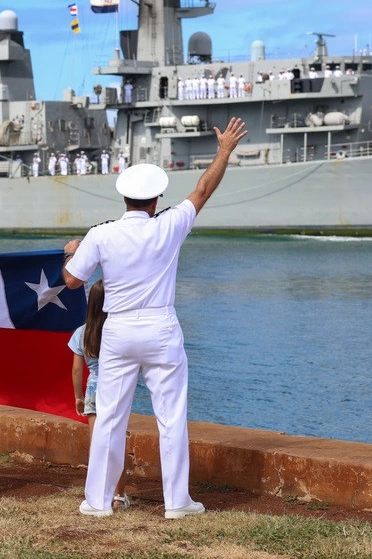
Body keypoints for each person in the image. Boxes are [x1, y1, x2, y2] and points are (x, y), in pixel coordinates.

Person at [62, 117, 248, 519]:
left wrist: (70, 252)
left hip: (119, 328)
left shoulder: (101, 234)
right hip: (161, 328)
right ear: (156, 199)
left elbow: (72, 281)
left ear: (124, 198)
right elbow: (202, 189)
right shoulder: (170, 224)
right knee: (171, 417)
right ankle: (177, 503)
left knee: (109, 417)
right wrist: (224, 151)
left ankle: (98, 502)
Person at [68, 280, 128, 510]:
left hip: (93, 390)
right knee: (116, 443)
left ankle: (97, 495)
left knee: (97, 445)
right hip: (116, 390)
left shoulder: (81, 333)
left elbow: (76, 369)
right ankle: (119, 496)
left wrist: (78, 396)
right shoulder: (118, 330)